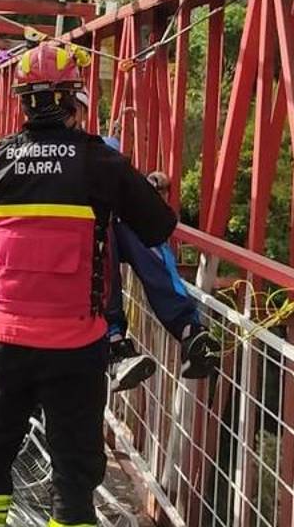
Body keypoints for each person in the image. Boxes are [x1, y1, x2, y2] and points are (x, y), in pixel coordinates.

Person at [0, 43, 178, 527]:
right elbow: (157, 228)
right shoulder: (101, 163)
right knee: (73, 466)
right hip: (76, 342)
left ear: (22, 102)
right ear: (71, 101)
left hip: (7, 335)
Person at [69, 92, 217, 391]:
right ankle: (186, 327)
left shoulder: (27, 158)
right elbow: (159, 224)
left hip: (62, 270)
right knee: (116, 227)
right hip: (77, 265)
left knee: (116, 226)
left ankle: (119, 339)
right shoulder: (95, 155)